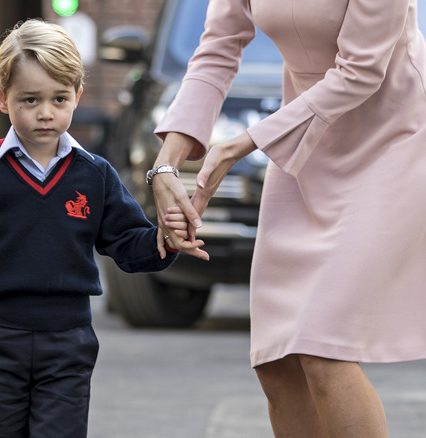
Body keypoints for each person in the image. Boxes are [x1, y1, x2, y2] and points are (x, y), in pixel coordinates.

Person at [0, 19, 184, 438]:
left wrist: (164, 239)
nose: (45, 112)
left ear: (77, 96)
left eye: (59, 98)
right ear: (2, 99)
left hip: (69, 341)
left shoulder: (95, 175)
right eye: (30, 100)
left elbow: (128, 245)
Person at [151, 0, 426, 436]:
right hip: (303, 140)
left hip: (392, 140)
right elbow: (218, 49)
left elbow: (361, 71)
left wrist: (243, 143)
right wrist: (166, 164)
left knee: (322, 347)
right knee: (277, 361)